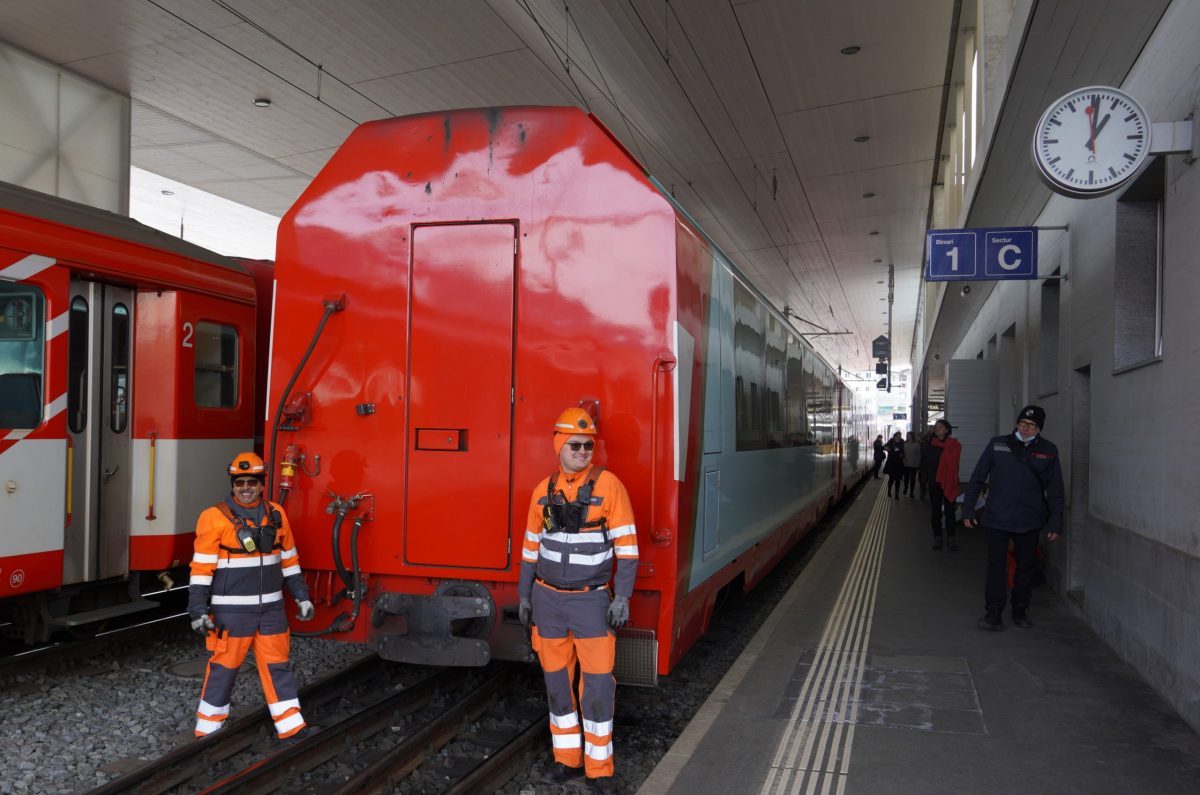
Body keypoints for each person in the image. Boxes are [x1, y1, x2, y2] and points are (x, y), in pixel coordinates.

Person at [518, 408, 638, 795]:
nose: (583, 451)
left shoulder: (611, 486)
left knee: (598, 689)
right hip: (547, 602)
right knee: (557, 686)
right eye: (575, 444)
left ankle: (599, 770)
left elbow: (628, 549)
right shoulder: (542, 491)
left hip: (591, 604)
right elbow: (530, 550)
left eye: (589, 445)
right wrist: (524, 595)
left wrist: (621, 597)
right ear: (559, 445)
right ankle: (566, 760)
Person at [187, 452, 315, 739]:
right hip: (231, 614)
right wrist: (197, 609)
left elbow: (289, 560)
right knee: (224, 668)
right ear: (233, 484)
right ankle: (207, 730)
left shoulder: (277, 514)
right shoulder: (213, 517)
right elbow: (200, 569)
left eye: (252, 482)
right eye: (240, 482)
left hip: (272, 611)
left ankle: (291, 726)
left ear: (261, 484)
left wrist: (302, 595)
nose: (246, 487)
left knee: (278, 667)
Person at [962, 405, 1065, 631]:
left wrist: (1056, 522)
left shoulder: (1049, 450)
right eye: (1022, 423)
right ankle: (993, 614)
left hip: (1029, 519)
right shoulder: (998, 444)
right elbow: (978, 477)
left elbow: (1056, 490)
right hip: (997, 517)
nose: (1026, 428)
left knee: (1025, 568)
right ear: (1017, 423)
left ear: (1039, 428)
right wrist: (968, 509)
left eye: (1032, 425)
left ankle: (1020, 610)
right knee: (996, 567)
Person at [920, 419, 961, 551]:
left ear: (947, 430)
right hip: (934, 482)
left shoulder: (955, 445)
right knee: (936, 512)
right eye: (936, 427)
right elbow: (924, 464)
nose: (937, 429)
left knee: (950, 512)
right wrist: (924, 480)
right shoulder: (928, 445)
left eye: (940, 427)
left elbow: (955, 464)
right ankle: (938, 538)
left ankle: (951, 539)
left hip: (950, 482)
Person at [883, 431, 905, 499]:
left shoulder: (902, 441)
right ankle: (889, 490)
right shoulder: (891, 441)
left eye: (900, 436)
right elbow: (884, 447)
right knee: (891, 478)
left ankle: (896, 494)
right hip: (891, 462)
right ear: (895, 436)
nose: (899, 437)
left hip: (899, 462)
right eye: (897, 436)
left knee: (898, 479)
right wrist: (888, 448)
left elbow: (902, 450)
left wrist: (893, 450)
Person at [902, 431, 922, 497]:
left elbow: (919, 454)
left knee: (913, 479)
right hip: (906, 463)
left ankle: (911, 492)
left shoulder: (917, 444)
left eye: (908, 435)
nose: (907, 436)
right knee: (906, 478)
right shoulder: (904, 443)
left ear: (912, 436)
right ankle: (905, 488)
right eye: (907, 435)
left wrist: (918, 463)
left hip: (914, 464)